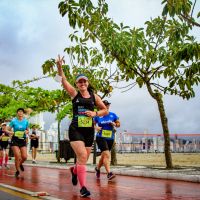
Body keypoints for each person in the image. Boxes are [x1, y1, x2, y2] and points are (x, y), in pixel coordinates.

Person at [56, 55, 108, 197]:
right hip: (76, 130)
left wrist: (95, 113)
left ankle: (74, 170)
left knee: (82, 159)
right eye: (80, 82)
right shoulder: (74, 94)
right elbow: (63, 80)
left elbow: (105, 110)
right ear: (77, 84)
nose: (82, 83)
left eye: (84, 81)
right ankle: (83, 188)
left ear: (87, 82)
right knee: (83, 156)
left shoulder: (94, 96)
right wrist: (59, 67)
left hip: (89, 131)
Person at [94, 100, 120, 180]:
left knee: (104, 155)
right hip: (100, 137)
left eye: (107, 105)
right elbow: (92, 124)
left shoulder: (113, 115)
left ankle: (97, 168)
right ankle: (109, 173)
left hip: (110, 138)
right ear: (101, 106)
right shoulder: (97, 115)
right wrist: (96, 127)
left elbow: (118, 124)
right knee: (107, 155)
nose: (106, 106)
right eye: (105, 104)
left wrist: (115, 124)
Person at [8, 108, 29, 177]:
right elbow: (7, 130)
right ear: (17, 113)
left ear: (23, 113)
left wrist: (26, 132)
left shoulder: (26, 121)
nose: (20, 113)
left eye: (21, 112)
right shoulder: (13, 121)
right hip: (15, 140)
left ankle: (20, 163)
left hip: (22, 140)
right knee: (17, 155)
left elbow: (27, 130)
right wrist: (12, 132)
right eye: (19, 112)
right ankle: (17, 170)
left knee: (24, 157)